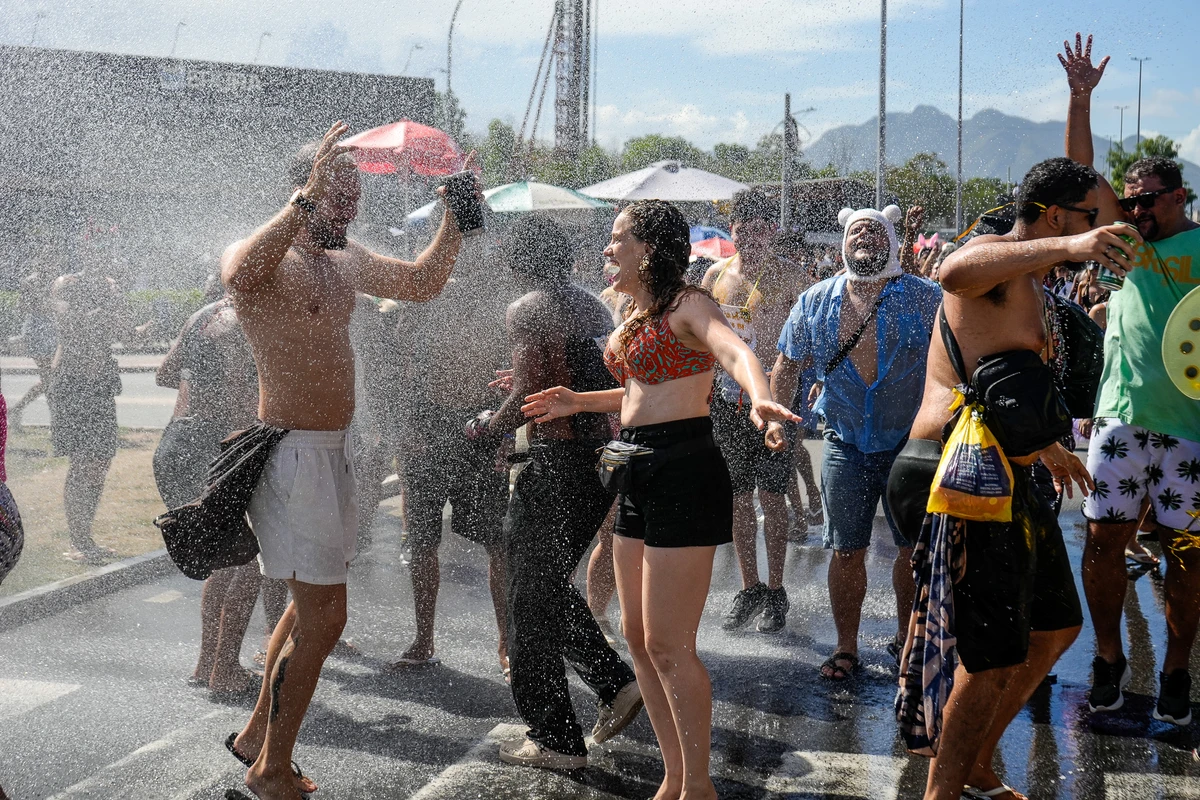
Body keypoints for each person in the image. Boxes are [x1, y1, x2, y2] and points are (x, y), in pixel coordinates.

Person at [221, 122, 470, 800]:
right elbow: (239, 276)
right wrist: (302, 204)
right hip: (291, 451)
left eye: (355, 190)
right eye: (338, 189)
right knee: (327, 616)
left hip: (335, 450)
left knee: (306, 611)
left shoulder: (345, 258)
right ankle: (270, 770)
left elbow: (422, 284)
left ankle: (254, 737)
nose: (351, 201)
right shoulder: (267, 255)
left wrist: (455, 212)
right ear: (303, 192)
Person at [523, 200, 800, 800]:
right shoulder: (636, 310)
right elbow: (639, 392)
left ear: (648, 248)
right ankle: (676, 778)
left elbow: (734, 351)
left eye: (618, 238)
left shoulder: (690, 305)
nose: (606, 248)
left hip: (683, 466)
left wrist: (758, 397)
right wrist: (578, 401)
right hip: (635, 464)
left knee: (672, 645)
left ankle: (698, 785)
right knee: (640, 639)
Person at [893, 156, 1129, 800]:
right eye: (1091, 220)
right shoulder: (997, 260)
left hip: (1010, 477)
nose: (1102, 232)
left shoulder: (1033, 276)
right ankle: (943, 790)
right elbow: (952, 270)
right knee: (991, 653)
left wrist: (1051, 449)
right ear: (1056, 219)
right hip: (960, 476)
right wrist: (1074, 241)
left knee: (1055, 628)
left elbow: (1010, 391)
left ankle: (972, 760)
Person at [1060, 33, 1200, 726]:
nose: (1138, 212)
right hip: (1121, 419)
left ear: (1181, 197)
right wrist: (1081, 97)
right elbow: (1076, 171)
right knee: (1102, 543)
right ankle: (1109, 657)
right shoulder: (1130, 243)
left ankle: (1176, 670)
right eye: (1134, 201)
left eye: (1151, 201)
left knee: (1189, 557)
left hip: (1191, 430)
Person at [470, 214, 643, 769]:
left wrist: (486, 430)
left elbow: (525, 391)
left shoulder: (526, 308)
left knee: (527, 597)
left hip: (557, 462)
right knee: (544, 587)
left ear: (520, 260)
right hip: (595, 462)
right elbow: (565, 375)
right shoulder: (589, 305)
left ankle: (554, 740)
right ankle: (615, 683)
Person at [769, 204, 941, 679]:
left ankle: (908, 641)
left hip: (911, 444)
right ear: (843, 243)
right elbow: (786, 365)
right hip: (844, 441)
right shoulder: (815, 300)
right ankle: (846, 647)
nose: (863, 237)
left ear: (890, 242)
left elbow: (952, 361)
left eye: (874, 231)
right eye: (855, 231)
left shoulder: (925, 297)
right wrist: (776, 416)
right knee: (846, 549)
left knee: (911, 549)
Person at [392, 216, 517, 674]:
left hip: (481, 428)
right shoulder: (423, 295)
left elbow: (515, 374)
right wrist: (405, 428)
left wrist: (505, 433)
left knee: (497, 542)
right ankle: (423, 638)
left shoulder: (500, 302)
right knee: (422, 540)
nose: (466, 259)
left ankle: (506, 642)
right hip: (428, 428)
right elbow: (398, 368)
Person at [153, 294, 273, 700]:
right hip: (216, 445)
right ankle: (224, 670)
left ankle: (207, 664)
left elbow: (164, 373)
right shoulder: (249, 318)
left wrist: (200, 385)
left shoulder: (202, 315)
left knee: (223, 558)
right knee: (249, 561)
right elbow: (243, 388)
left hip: (175, 443)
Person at [703, 189, 811, 634]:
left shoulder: (789, 276)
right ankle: (749, 588)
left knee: (773, 494)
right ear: (734, 231)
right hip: (728, 398)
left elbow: (805, 340)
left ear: (773, 231)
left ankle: (777, 590)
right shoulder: (715, 274)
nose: (751, 235)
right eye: (743, 227)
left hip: (774, 400)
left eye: (761, 228)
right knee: (737, 494)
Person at [47, 239, 134, 565]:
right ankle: (79, 541)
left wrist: (124, 317)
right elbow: (66, 324)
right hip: (71, 383)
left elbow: (124, 330)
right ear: (82, 255)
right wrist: (97, 313)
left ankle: (87, 537)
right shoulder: (65, 284)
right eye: (92, 253)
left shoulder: (111, 289)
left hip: (100, 384)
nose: (98, 260)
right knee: (82, 461)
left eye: (103, 253)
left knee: (99, 461)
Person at [6, 270, 57, 428]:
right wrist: (44, 305)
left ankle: (16, 410)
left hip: (53, 333)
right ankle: (56, 422)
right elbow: (21, 306)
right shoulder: (30, 281)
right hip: (38, 333)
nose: (50, 264)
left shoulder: (59, 280)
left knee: (50, 379)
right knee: (49, 379)